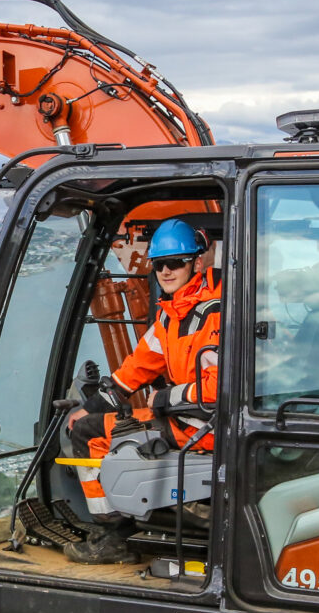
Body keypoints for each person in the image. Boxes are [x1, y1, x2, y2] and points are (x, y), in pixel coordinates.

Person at [63, 216, 221, 560]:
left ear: (196, 262)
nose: (165, 271)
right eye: (159, 264)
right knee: (90, 423)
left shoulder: (215, 313)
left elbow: (217, 390)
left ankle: (113, 537)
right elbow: (135, 369)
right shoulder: (171, 316)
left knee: (90, 437)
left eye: (175, 263)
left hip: (204, 426)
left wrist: (165, 398)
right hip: (188, 419)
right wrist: (92, 405)